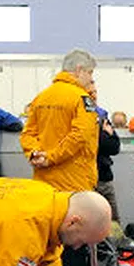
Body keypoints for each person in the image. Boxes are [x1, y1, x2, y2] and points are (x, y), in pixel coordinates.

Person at [20, 49, 99, 193]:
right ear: (79, 70)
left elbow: (27, 134)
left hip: (44, 182)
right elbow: (80, 136)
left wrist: (35, 154)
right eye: (90, 72)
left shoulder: (41, 97)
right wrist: (51, 158)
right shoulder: (83, 99)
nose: (90, 79)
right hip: (74, 182)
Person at [89, 83, 121, 223]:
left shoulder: (102, 116)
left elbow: (114, 147)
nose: (94, 96)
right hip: (86, 179)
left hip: (104, 176)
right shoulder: (78, 118)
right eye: (90, 93)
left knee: (113, 221)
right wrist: (107, 135)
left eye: (95, 92)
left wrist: (110, 135)